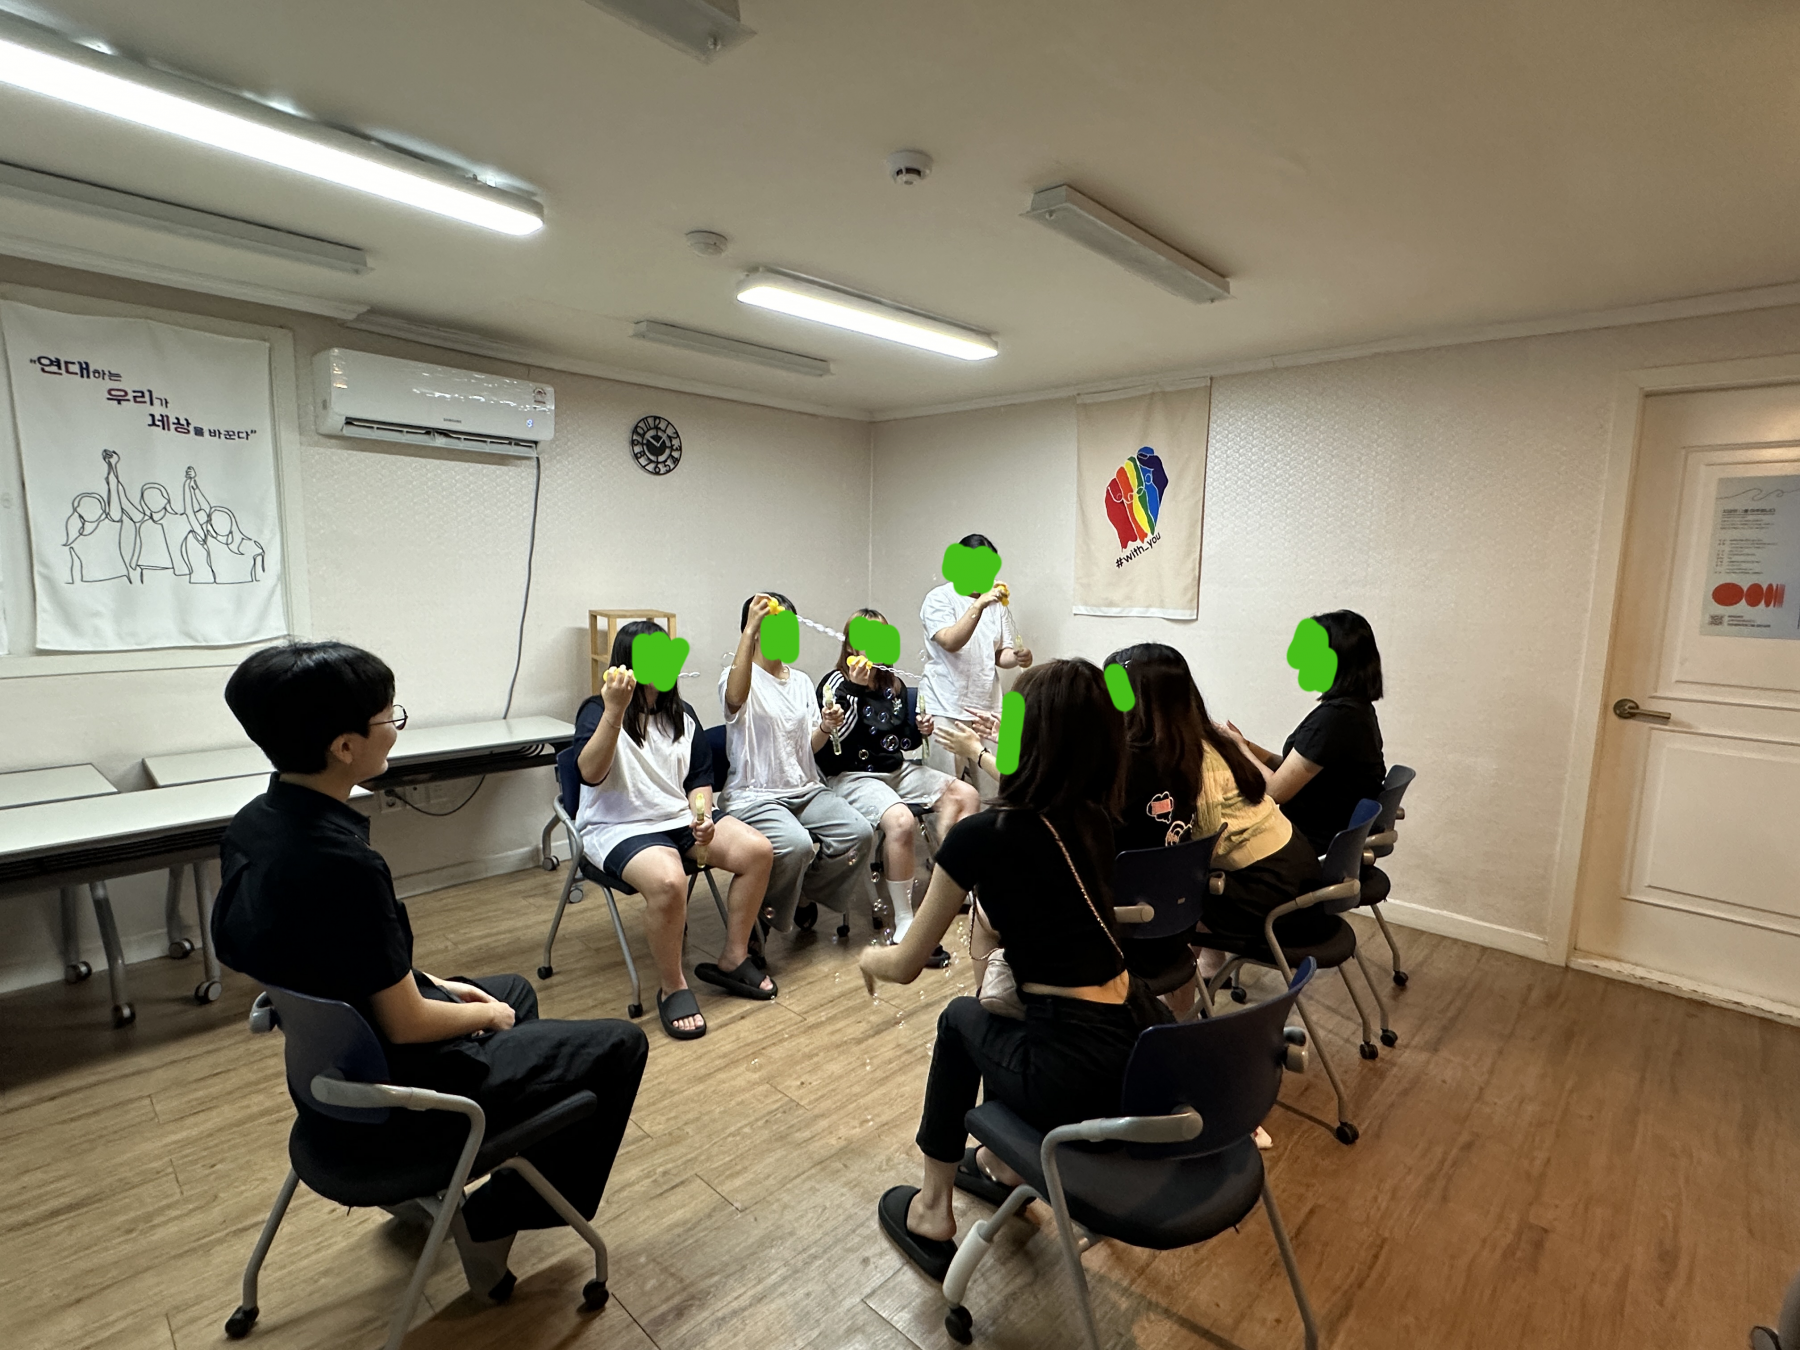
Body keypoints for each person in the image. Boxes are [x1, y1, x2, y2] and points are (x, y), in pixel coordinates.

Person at [210, 641, 648, 1297]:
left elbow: (332, 957)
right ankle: (490, 1219)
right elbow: (407, 1023)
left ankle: (451, 1174)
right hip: (395, 1094)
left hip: (329, 1073)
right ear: (345, 747)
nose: (396, 727)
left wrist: (438, 985)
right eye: (389, 717)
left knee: (515, 990)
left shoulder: (257, 824)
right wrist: (482, 1015)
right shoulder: (344, 865)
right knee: (618, 1046)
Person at [861, 659, 1161, 1281]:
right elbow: (1038, 812)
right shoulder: (1096, 821)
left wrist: (870, 956)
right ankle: (1002, 1164)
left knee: (960, 1020)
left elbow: (908, 964)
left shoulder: (982, 836)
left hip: (1070, 1072)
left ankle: (933, 1210)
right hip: (1137, 1047)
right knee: (1002, 1011)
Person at [1103, 643, 1331, 1028]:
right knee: (1175, 887)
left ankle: (1175, 1013)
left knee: (1167, 896)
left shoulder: (1176, 759)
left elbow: (1196, 846)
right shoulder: (1208, 738)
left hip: (1272, 892)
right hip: (1296, 867)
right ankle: (1197, 986)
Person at [575, 619, 778, 1039]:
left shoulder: (682, 714)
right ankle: (672, 986)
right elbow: (590, 774)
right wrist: (614, 711)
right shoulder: (597, 710)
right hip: (619, 826)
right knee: (670, 881)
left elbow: (698, 779)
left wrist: (702, 816)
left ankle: (734, 957)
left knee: (758, 851)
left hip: (677, 817)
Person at [816, 609, 980, 962]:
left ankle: (953, 881)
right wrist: (854, 690)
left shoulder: (892, 684)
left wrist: (920, 731)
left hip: (895, 771)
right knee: (902, 821)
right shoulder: (834, 684)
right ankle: (905, 920)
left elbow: (902, 743)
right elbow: (837, 743)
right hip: (851, 775)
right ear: (850, 644)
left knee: (965, 794)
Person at [719, 592, 876, 947]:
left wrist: (826, 728)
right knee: (796, 845)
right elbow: (734, 699)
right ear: (755, 631)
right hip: (755, 796)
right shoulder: (738, 677)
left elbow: (809, 747)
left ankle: (801, 894)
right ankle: (757, 921)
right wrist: (749, 629)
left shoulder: (802, 681)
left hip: (805, 789)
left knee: (859, 833)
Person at [1229, 610, 1387, 853]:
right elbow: (1296, 767)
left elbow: (1275, 791)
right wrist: (1246, 745)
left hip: (1307, 845)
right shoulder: (1356, 710)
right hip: (1316, 835)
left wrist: (1238, 748)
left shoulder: (1336, 718)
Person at [918, 533, 1031, 785]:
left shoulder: (996, 604)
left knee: (995, 787)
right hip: (945, 705)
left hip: (987, 709)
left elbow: (999, 654)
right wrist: (978, 605)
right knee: (947, 790)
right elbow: (950, 641)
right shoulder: (939, 598)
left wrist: (1018, 657)